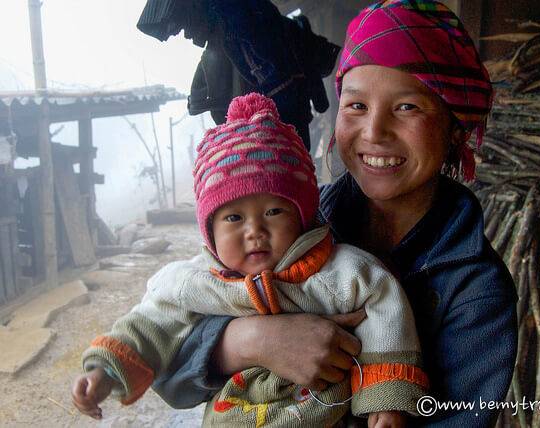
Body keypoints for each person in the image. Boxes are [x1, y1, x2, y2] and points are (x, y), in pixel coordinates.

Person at [152, 1, 518, 427]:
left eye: (407, 107)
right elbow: (168, 371)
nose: (374, 131)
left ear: (455, 127)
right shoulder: (287, 224)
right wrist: (249, 341)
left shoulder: (473, 290)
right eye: (357, 106)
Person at [71, 93, 429, 428]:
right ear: (209, 230)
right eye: (233, 218)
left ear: (302, 216)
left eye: (274, 211)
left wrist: (385, 397)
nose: (254, 231)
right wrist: (104, 370)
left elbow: (386, 316)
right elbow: (149, 325)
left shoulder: (342, 271)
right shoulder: (192, 282)